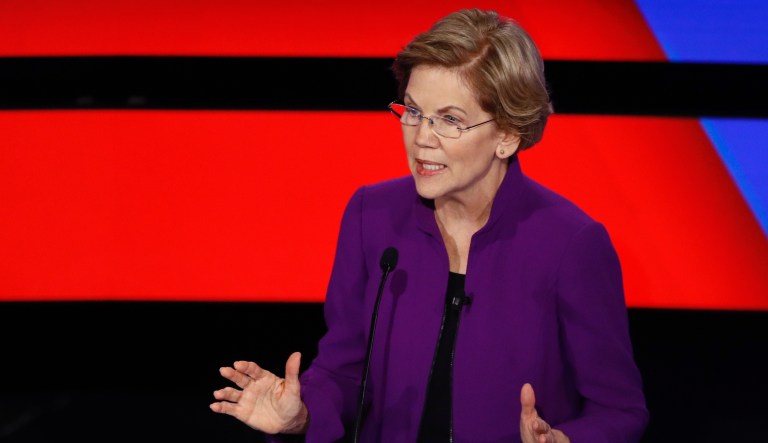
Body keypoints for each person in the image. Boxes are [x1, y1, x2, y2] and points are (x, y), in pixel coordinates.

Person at [210, 8, 649, 443]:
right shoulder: (372, 215)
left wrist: (565, 440)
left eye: (450, 119)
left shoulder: (570, 244)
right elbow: (344, 371)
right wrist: (301, 415)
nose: (421, 137)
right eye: (414, 111)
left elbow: (620, 410)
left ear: (508, 135)